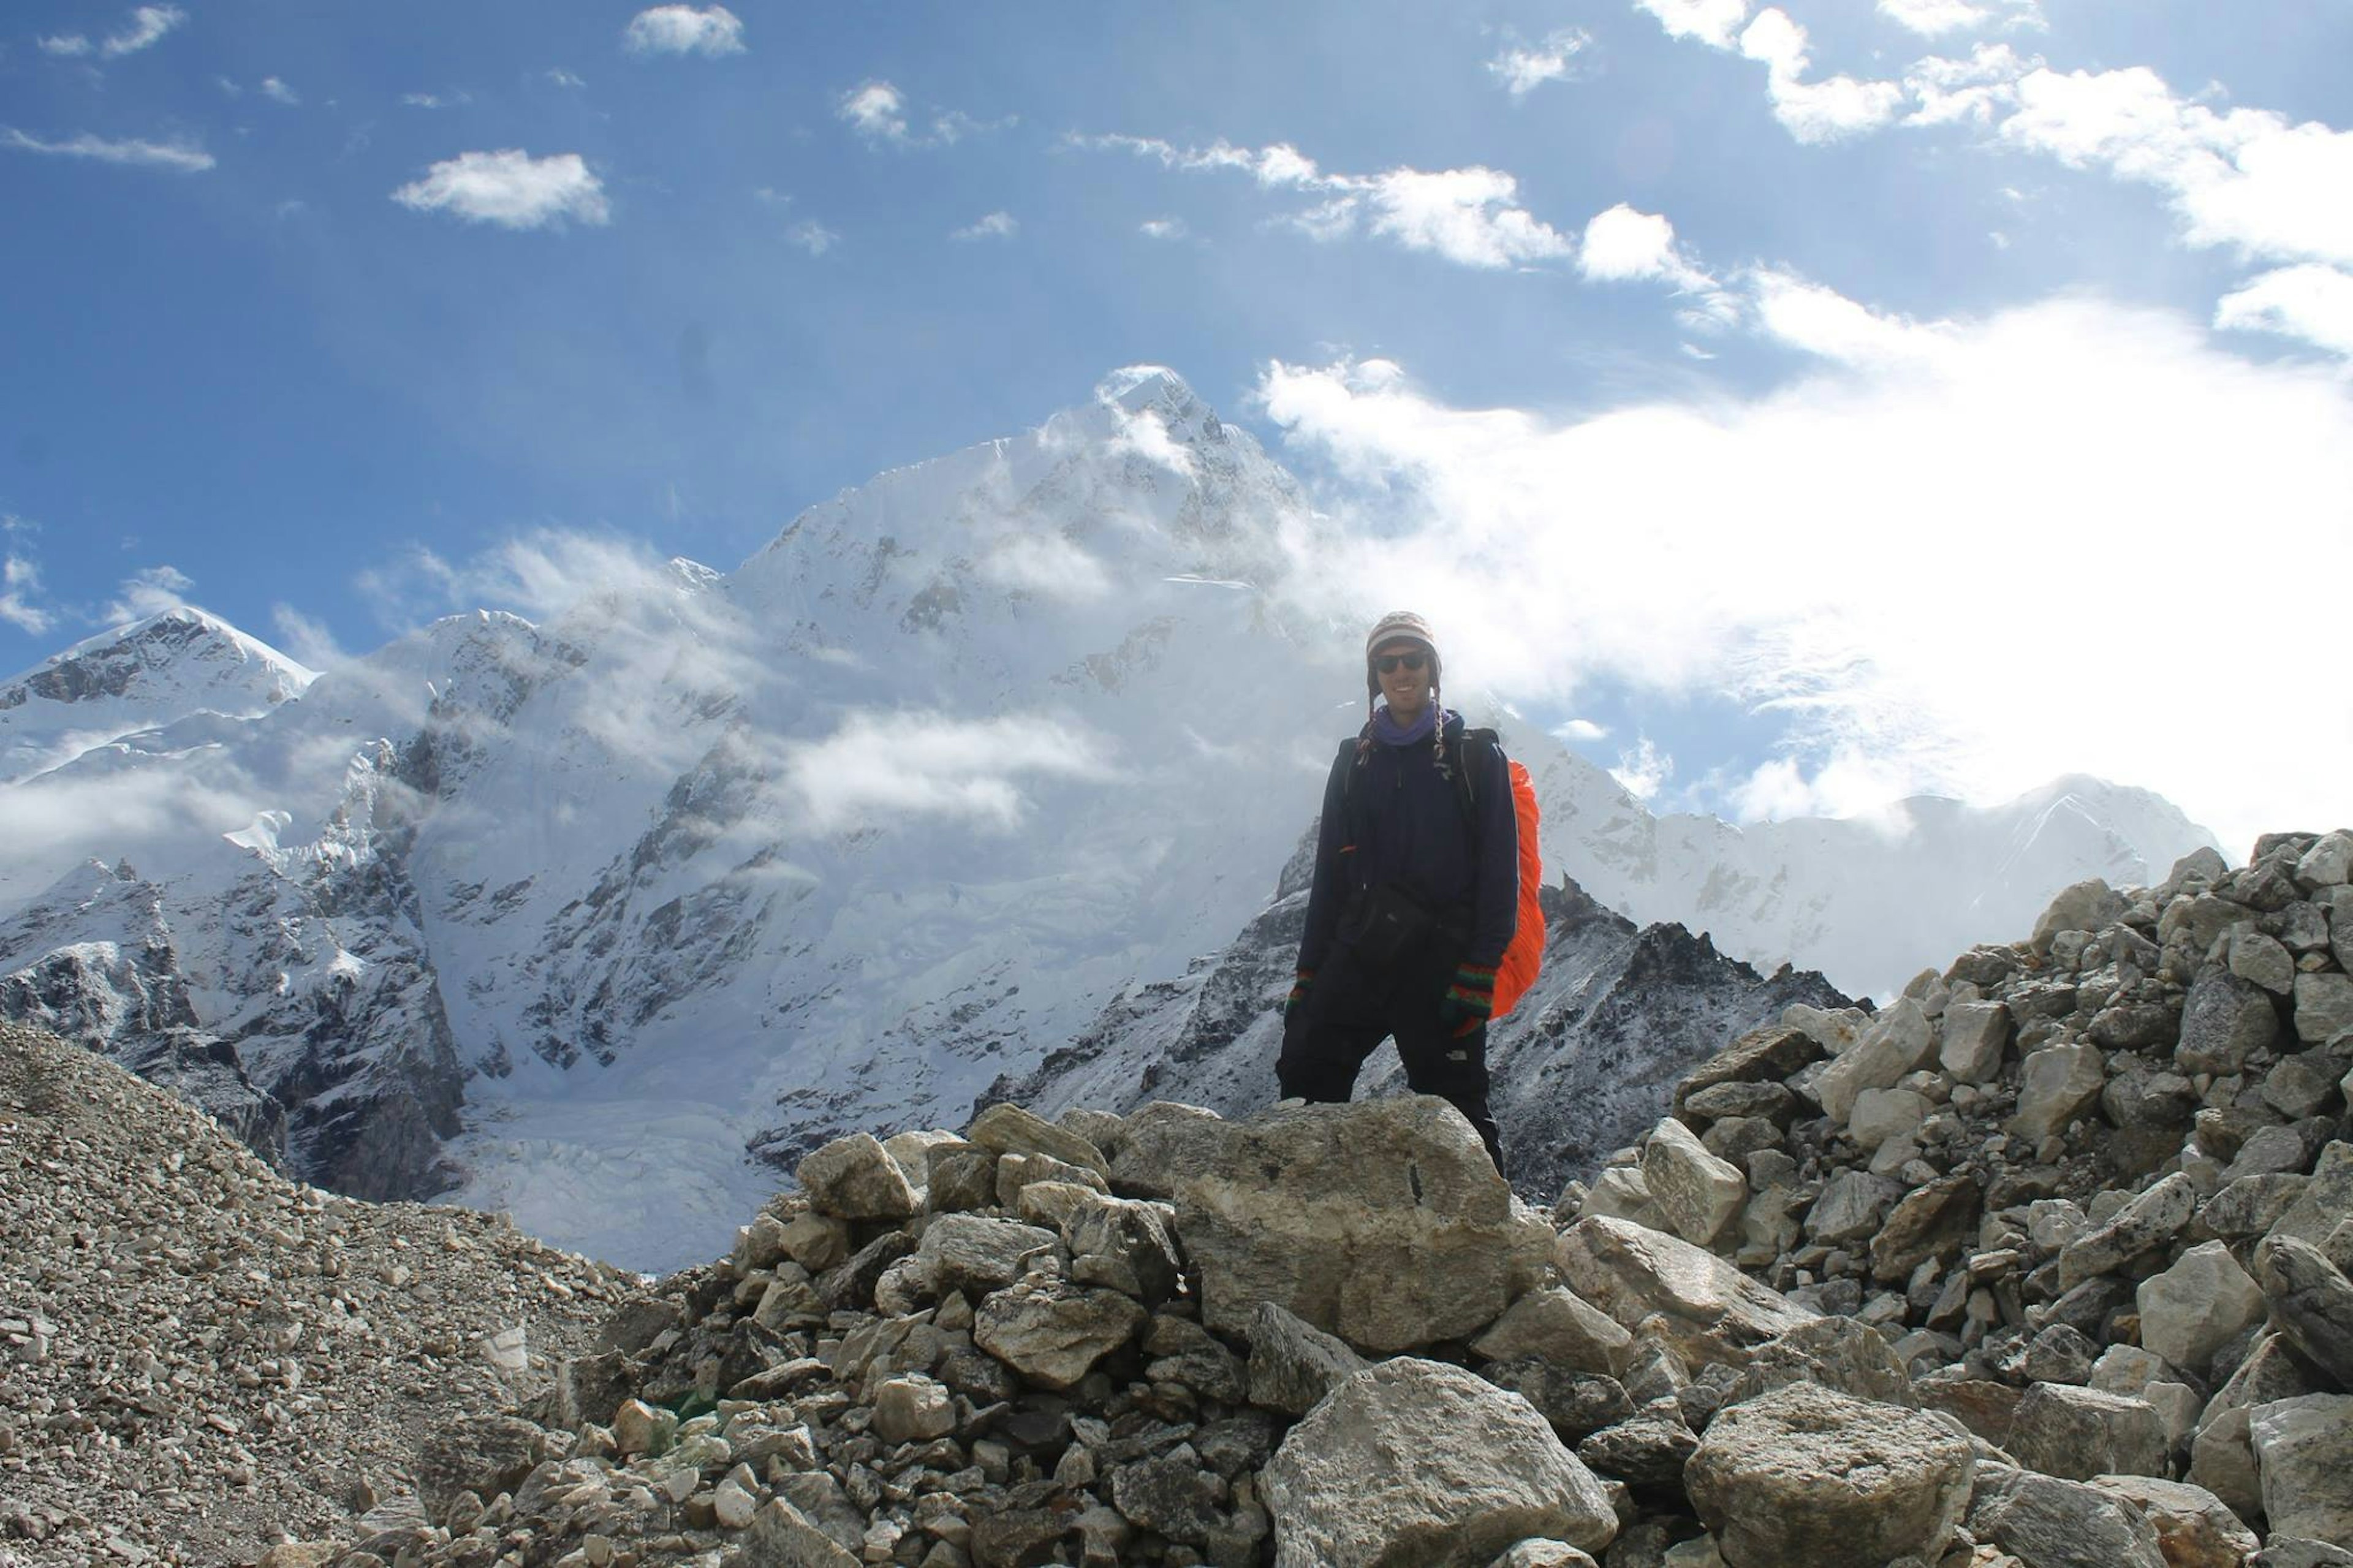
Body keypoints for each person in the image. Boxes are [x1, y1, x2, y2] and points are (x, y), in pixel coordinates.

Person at [1277, 610, 1517, 1172]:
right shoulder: (1354, 760)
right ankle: (1308, 1221)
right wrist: (1309, 972)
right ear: (1374, 676)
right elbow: (1329, 875)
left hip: (1441, 961)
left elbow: (1499, 873)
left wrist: (1480, 970)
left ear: (1433, 670)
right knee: (1305, 1073)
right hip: (1361, 951)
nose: (1401, 672)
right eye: (1387, 662)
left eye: (1413, 660)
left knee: (1458, 1112)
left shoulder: (1475, 756)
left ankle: (1495, 1244)